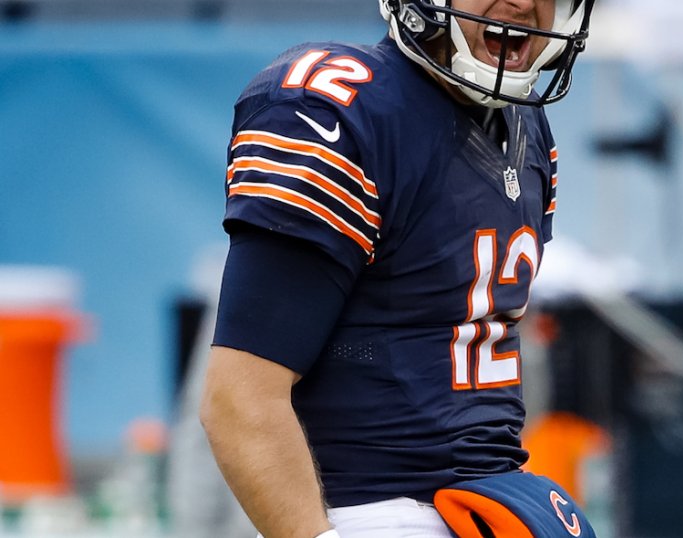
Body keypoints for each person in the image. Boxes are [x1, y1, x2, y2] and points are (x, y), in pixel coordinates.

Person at [199, 1, 597, 537]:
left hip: (490, 501)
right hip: (369, 512)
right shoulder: (339, 109)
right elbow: (240, 397)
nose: (522, 2)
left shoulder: (526, 128)